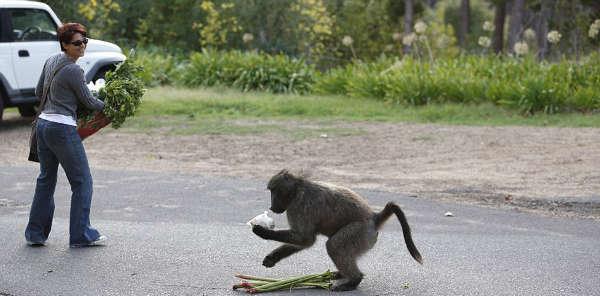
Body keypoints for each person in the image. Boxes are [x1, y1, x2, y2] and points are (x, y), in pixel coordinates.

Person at [25, 23, 106, 247]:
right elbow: (88, 101)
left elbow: (38, 91)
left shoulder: (51, 60)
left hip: (43, 126)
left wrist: (58, 99)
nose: (82, 46)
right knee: (82, 182)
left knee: (45, 181)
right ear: (65, 45)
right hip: (61, 128)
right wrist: (109, 106)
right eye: (77, 43)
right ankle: (80, 235)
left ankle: (35, 233)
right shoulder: (73, 69)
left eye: (84, 41)